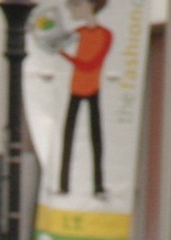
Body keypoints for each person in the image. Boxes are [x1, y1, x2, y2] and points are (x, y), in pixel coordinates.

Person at [56, 0, 113, 196]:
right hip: (75, 88)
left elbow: (90, 63)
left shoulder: (105, 35)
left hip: (93, 88)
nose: (71, 9)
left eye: (76, 5)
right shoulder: (78, 33)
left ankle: (98, 185)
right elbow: (58, 39)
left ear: (89, 6)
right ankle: (63, 184)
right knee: (68, 136)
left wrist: (64, 55)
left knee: (96, 138)